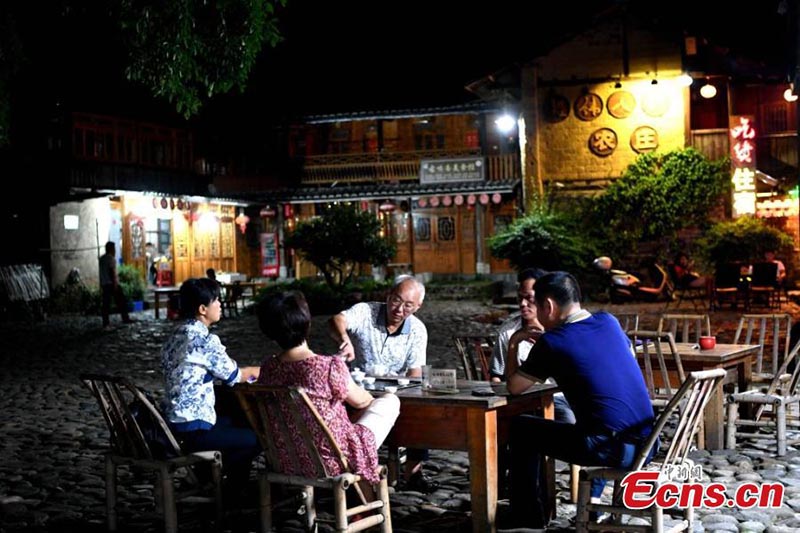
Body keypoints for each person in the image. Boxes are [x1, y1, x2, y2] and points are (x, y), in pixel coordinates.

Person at [505, 271, 656, 528]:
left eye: (536, 305)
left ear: (548, 306)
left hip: (609, 447)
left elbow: (514, 387)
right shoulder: (609, 321)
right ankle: (542, 509)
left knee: (519, 429)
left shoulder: (553, 342)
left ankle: (527, 515)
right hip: (648, 443)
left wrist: (515, 342)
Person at [257, 291, 400, 490]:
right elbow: (363, 401)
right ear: (307, 324)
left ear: (268, 331)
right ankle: (365, 484)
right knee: (389, 401)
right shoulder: (328, 366)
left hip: (285, 459)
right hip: (332, 462)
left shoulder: (268, 368)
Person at [328, 274, 437, 492]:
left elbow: (415, 373)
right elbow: (336, 320)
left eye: (408, 305)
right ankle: (349, 464)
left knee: (421, 407)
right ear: (388, 296)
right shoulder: (366, 312)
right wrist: (344, 339)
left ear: (418, 306)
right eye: (396, 300)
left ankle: (413, 471)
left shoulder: (417, 329)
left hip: (393, 394)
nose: (399, 309)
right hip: (356, 391)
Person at [161, 278, 262, 494]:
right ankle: (226, 488)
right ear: (202, 309)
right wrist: (263, 370)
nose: (220, 304)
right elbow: (235, 375)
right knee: (258, 437)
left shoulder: (175, 337)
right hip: (194, 430)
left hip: (173, 425)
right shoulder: (204, 341)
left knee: (233, 419)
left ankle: (212, 478)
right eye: (216, 300)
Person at [491, 267, 575, 424]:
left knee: (568, 422)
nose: (523, 304)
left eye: (529, 298)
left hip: (558, 397)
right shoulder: (509, 331)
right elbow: (497, 375)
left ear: (545, 300)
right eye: (519, 298)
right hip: (520, 399)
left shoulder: (559, 329)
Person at [98, 241, 132, 328]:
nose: (115, 251)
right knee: (121, 301)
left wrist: (101, 284)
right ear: (111, 249)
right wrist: (115, 283)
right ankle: (125, 318)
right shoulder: (111, 259)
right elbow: (112, 272)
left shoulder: (101, 259)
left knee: (106, 304)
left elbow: (101, 273)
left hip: (104, 284)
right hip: (111, 283)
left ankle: (106, 322)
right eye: (114, 249)